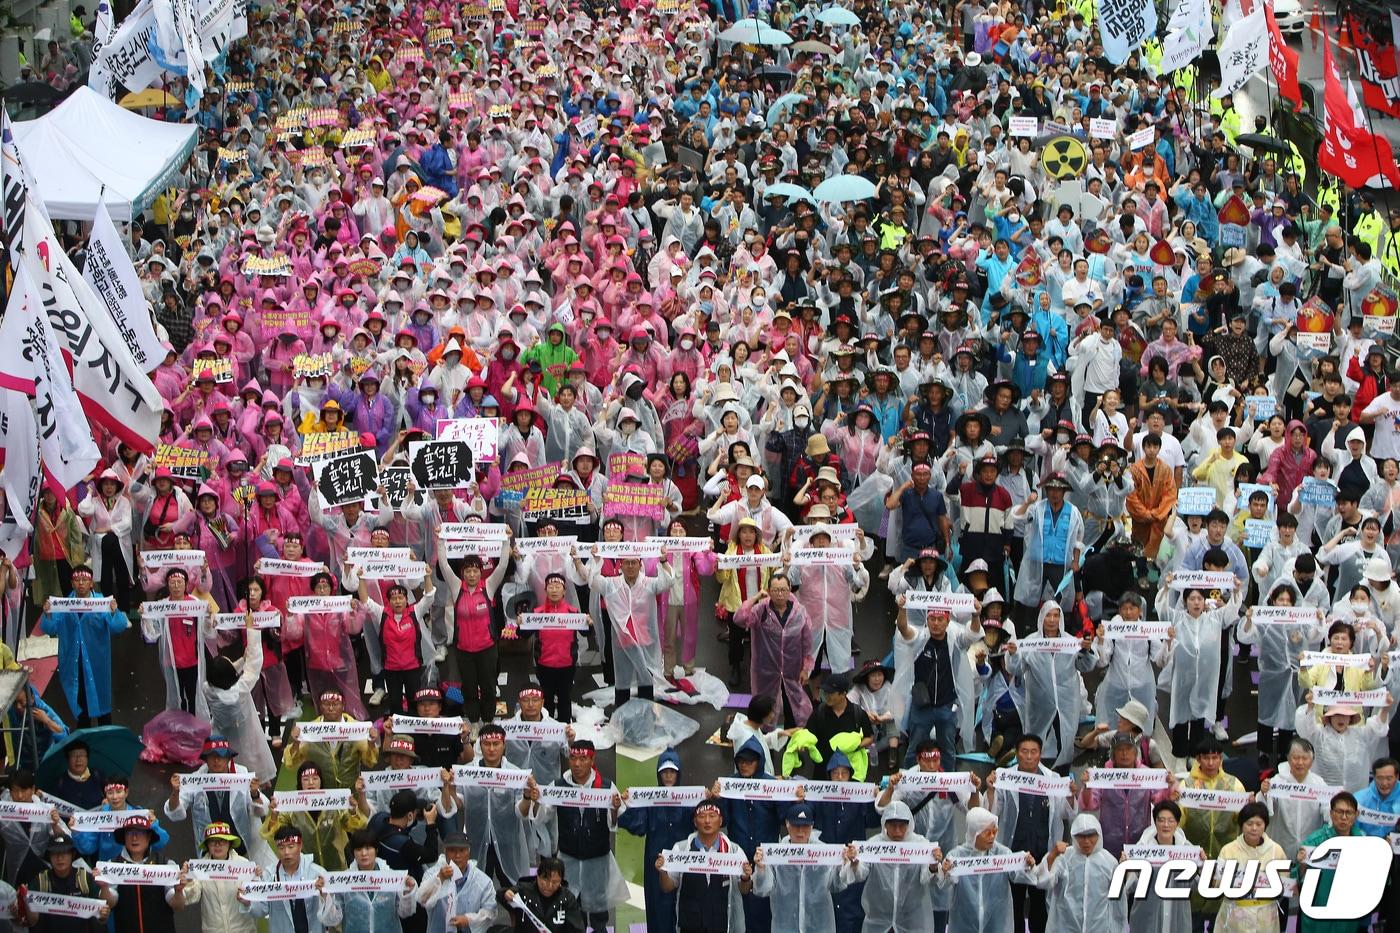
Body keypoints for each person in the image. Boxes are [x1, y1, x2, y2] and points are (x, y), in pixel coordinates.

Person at [983, 735, 1078, 933]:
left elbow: (1065, 813)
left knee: (1040, 906)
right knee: (1013, 905)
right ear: (1017, 754)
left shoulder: (1052, 779)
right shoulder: (1005, 776)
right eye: (1024, 752)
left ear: (1040, 754)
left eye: (1033, 752)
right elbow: (992, 813)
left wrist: (1070, 796)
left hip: (1043, 853)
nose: (1028, 756)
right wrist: (991, 790)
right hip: (1013, 851)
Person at [534, 742, 626, 933]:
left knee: (600, 914)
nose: (577, 764)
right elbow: (541, 816)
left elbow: (613, 823)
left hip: (598, 860)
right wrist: (536, 800)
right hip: (568, 859)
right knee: (572, 911)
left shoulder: (606, 786)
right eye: (573, 758)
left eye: (583, 759)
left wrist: (615, 809)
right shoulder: (558, 786)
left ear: (592, 760)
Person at [39, 568, 129, 728]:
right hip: (74, 663)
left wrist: (115, 611)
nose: (81, 583)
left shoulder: (102, 602)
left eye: (85, 580)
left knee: (103, 706)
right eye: (77, 580)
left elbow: (118, 627)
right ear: (72, 583)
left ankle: (104, 741)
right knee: (81, 707)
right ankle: (84, 745)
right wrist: (47, 613)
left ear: (91, 583)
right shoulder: (64, 605)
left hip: (97, 664)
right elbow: (50, 628)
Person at [165, 735, 273, 867]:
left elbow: (261, 811)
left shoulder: (242, 775)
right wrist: (175, 794)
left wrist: (255, 794)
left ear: (228, 758)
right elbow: (175, 814)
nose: (216, 761)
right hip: (210, 852)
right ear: (205, 759)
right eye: (211, 756)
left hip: (242, 848)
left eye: (221, 756)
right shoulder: (196, 780)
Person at [617, 751, 691, 933]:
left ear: (678, 774)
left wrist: (709, 800)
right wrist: (623, 806)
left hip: (685, 864)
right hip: (656, 867)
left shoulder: (690, 800)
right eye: (664, 772)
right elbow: (637, 826)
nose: (668, 776)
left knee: (687, 909)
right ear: (658, 774)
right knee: (657, 910)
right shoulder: (649, 801)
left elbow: (706, 822)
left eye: (672, 772)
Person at [751, 803, 851, 933]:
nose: (800, 832)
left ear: (812, 826)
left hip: (819, 926)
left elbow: (836, 885)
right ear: (787, 824)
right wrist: (761, 868)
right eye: (796, 825)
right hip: (785, 926)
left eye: (805, 826)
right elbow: (762, 889)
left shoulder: (824, 852)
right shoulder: (775, 854)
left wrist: (841, 865)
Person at [937, 806, 1037, 933]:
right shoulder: (956, 856)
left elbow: (1021, 875)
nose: (992, 837)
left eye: (994, 832)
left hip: (996, 923)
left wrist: (1028, 865)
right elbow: (943, 883)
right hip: (964, 923)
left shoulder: (1003, 853)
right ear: (974, 833)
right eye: (987, 832)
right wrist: (945, 871)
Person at [656, 800, 751, 932]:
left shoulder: (734, 851)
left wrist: (746, 877)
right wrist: (662, 872)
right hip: (689, 924)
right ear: (695, 822)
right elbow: (667, 887)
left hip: (722, 925)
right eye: (702, 816)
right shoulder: (681, 849)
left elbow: (744, 890)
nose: (707, 821)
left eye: (712, 816)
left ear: (721, 820)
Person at [1033, 814, 1126, 933]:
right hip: (1065, 927)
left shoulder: (1109, 862)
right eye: (1081, 836)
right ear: (1074, 836)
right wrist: (1052, 855)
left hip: (1099, 927)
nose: (1086, 841)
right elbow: (1043, 881)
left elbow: (1118, 903)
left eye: (1091, 835)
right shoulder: (1064, 857)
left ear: (1099, 834)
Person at [239, 825, 341, 933]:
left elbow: (333, 920)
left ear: (300, 846)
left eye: (291, 846)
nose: (286, 852)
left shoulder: (318, 873)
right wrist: (248, 902)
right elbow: (262, 909)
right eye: (281, 848)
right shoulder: (269, 875)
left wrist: (326, 897)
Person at [109, 816, 195, 933]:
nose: (134, 837)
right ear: (124, 837)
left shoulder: (166, 864)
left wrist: (179, 891)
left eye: (140, 832)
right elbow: (109, 902)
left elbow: (178, 906)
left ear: (149, 837)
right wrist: (104, 886)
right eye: (129, 833)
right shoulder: (112, 865)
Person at [1213, 803, 1287, 932]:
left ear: (1265, 825)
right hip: (1234, 914)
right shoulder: (1228, 850)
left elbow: (1285, 884)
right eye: (1249, 823)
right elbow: (1217, 884)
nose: (1254, 828)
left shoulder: (1276, 850)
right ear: (1241, 825)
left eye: (1259, 824)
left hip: (1265, 916)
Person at [20, 833, 114, 933]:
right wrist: (26, 900)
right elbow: (33, 921)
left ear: (72, 854)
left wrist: (103, 914)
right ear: (49, 856)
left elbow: (101, 913)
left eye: (64, 852)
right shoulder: (40, 881)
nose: (60, 858)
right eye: (55, 853)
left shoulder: (85, 878)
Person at [415, 832, 498, 933]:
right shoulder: (432, 874)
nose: (457, 855)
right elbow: (422, 900)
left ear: (469, 852)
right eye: (452, 850)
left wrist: (469, 919)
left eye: (462, 850)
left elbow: (491, 912)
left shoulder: (483, 881)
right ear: (445, 851)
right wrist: (439, 879)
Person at [337, 829, 417, 933]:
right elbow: (333, 918)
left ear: (376, 850)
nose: (364, 853)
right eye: (359, 849)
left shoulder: (391, 876)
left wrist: (408, 890)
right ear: (353, 852)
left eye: (368, 848)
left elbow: (405, 912)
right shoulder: (345, 880)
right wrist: (325, 896)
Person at [187, 823, 256, 933]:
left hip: (244, 930)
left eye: (222, 840)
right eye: (213, 841)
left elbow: (259, 904)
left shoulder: (244, 865)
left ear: (229, 843)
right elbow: (191, 897)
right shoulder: (200, 867)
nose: (217, 845)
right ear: (207, 845)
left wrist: (250, 896)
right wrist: (188, 881)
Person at [498, 856, 584, 933]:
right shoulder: (524, 890)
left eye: (555, 882)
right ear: (538, 876)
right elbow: (501, 895)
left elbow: (577, 929)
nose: (549, 886)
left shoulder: (568, 898)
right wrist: (505, 894)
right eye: (545, 880)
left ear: (561, 881)